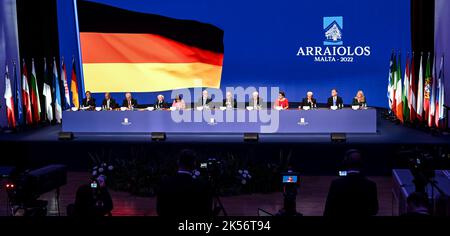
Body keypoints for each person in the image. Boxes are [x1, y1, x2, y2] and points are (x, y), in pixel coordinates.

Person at [156, 149, 213, 216]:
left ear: (178, 162)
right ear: (194, 164)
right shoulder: (202, 185)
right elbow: (206, 211)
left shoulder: (165, 182)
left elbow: (160, 210)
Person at [323, 149, 378, 216]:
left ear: (345, 163)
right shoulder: (371, 185)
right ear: (361, 164)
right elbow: (374, 210)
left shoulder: (336, 184)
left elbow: (328, 210)